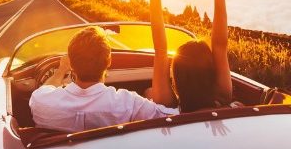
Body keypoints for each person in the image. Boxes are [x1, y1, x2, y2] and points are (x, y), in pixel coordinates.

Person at [29, 26, 179, 132]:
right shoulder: (129, 104)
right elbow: (174, 117)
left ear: (72, 64)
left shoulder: (40, 101)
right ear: (109, 61)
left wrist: (60, 71)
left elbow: (45, 89)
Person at [149, 0, 241, 112]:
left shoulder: (168, 106)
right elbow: (219, 45)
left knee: (147, 92)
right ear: (212, 72)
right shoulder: (222, 96)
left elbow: (160, 51)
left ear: (177, 77)